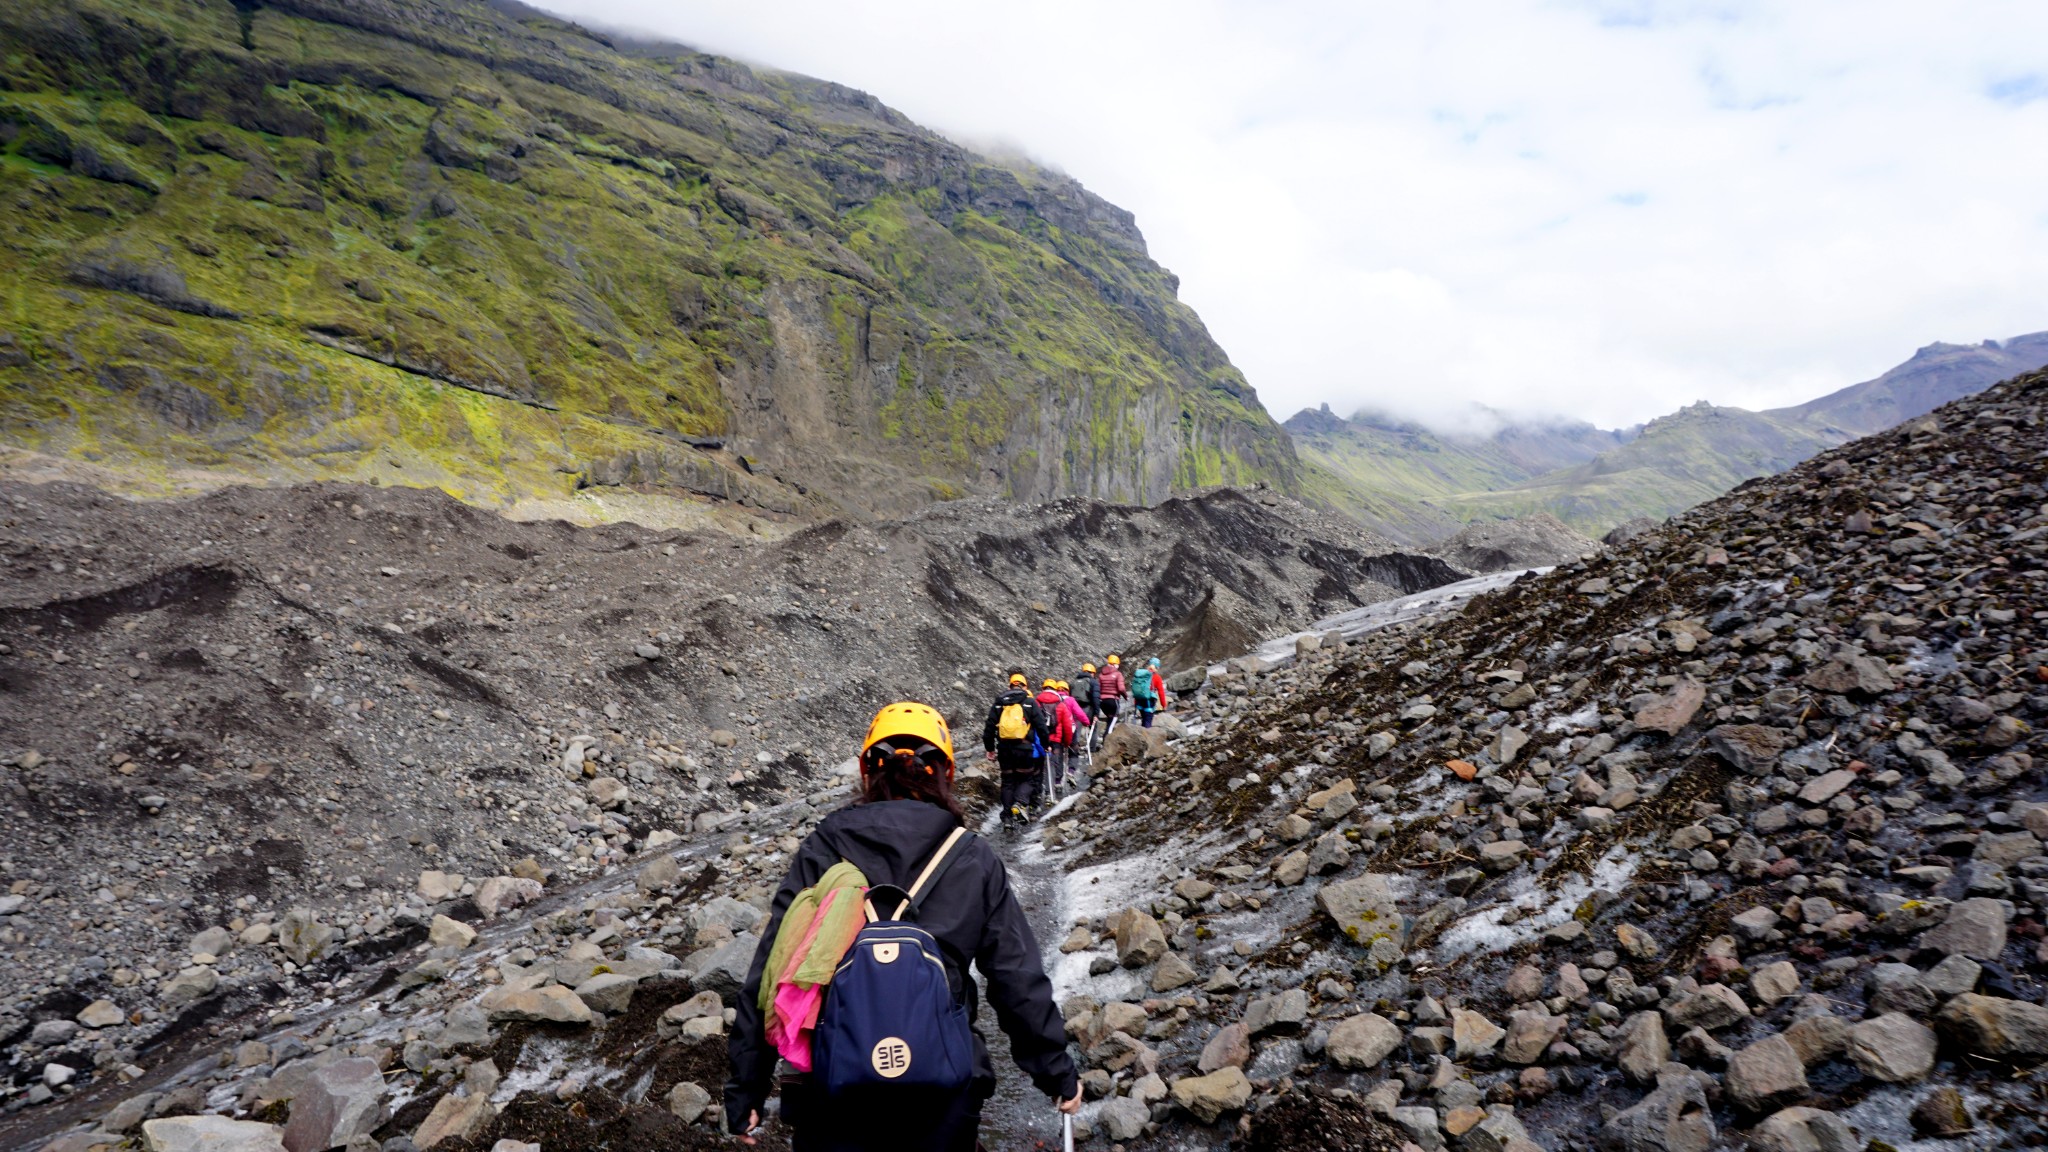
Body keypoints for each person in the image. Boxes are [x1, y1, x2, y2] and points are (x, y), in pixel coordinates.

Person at [725, 702, 1081, 1150]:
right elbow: (1015, 978)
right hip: (941, 1084)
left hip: (832, 1085)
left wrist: (746, 1089)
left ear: (867, 772)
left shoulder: (824, 846)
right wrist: (1056, 1074)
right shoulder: (971, 854)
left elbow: (773, 969)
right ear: (945, 773)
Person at [982, 673, 1048, 823]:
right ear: (1025, 686)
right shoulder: (1030, 702)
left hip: (1004, 749)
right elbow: (1041, 726)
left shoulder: (999, 702)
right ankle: (1019, 803)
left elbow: (989, 728)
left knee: (1007, 782)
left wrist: (990, 748)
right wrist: (1046, 745)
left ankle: (1007, 818)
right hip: (1024, 749)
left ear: (1009, 685)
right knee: (1028, 779)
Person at [1034, 678, 1071, 800]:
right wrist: (1067, 741)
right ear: (1055, 689)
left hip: (1040, 738)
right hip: (1056, 739)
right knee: (1055, 761)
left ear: (1043, 688)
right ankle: (1055, 785)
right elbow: (1067, 725)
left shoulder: (1036, 702)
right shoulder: (1060, 704)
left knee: (1042, 764)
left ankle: (1044, 790)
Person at [1053, 681, 1090, 790]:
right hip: (1071, 729)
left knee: (1058, 756)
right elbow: (1080, 713)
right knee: (1074, 752)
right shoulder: (1070, 700)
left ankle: (1058, 781)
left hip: (1057, 731)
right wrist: (1086, 722)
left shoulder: (1054, 700)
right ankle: (1071, 771)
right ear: (1067, 690)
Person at [1091, 655, 1126, 751]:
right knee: (1113, 719)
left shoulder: (1101, 675)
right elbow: (1121, 688)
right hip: (1113, 700)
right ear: (1115, 664)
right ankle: (1107, 741)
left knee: (1109, 720)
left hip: (1103, 702)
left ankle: (1105, 740)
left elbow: (1099, 688)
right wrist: (1125, 696)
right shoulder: (1118, 674)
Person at [1132, 656, 1168, 728]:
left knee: (1143, 720)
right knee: (1148, 721)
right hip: (1149, 702)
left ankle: (1142, 735)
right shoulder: (1157, 677)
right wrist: (1163, 705)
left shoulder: (1142, 675)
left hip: (1139, 700)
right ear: (1157, 667)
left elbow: (1138, 688)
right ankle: (1146, 737)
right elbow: (1161, 693)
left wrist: (1135, 703)